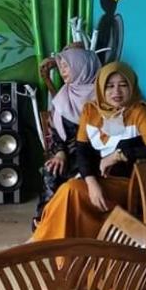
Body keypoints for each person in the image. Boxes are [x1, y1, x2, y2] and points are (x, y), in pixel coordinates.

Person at [31, 61, 146, 241]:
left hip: (128, 185)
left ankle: (42, 241)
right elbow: (82, 150)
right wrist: (91, 183)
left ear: (132, 86)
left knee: (71, 191)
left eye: (123, 85)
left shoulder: (139, 112)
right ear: (100, 88)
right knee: (68, 192)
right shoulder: (91, 111)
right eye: (109, 86)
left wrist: (120, 155)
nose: (116, 92)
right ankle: (55, 244)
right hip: (97, 180)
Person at [33, 47, 101, 230]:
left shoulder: (102, 95)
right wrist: (60, 153)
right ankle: (44, 221)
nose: (62, 71)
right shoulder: (64, 95)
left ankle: (67, 223)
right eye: (61, 66)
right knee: (52, 169)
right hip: (69, 153)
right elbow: (55, 132)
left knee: (74, 178)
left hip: (94, 153)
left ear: (82, 67)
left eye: (67, 66)